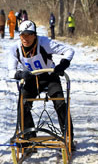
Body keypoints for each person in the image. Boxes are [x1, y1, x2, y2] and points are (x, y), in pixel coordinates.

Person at [7, 20, 75, 150]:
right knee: (22, 105)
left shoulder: (44, 43)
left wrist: (63, 65)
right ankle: (29, 137)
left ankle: (68, 137)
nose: (25, 38)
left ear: (34, 35)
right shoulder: (15, 49)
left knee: (60, 103)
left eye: (29, 35)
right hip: (30, 79)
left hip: (49, 77)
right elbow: (11, 71)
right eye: (22, 35)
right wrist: (20, 74)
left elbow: (69, 51)